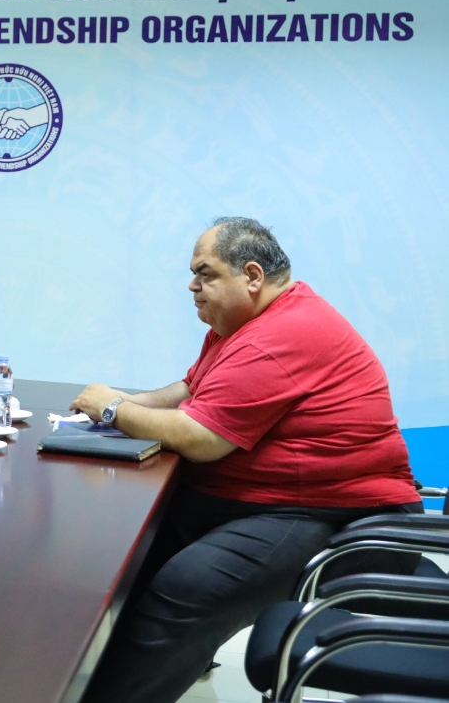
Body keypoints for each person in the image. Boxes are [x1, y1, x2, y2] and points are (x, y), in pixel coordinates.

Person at [74, 217, 423, 703]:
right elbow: (191, 389)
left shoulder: (283, 334)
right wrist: (119, 402)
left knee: (185, 585)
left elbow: (201, 438)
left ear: (253, 276)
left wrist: (113, 409)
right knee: (130, 542)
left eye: (205, 273)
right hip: (284, 500)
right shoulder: (244, 323)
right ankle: (80, 673)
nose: (192, 286)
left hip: (345, 519)